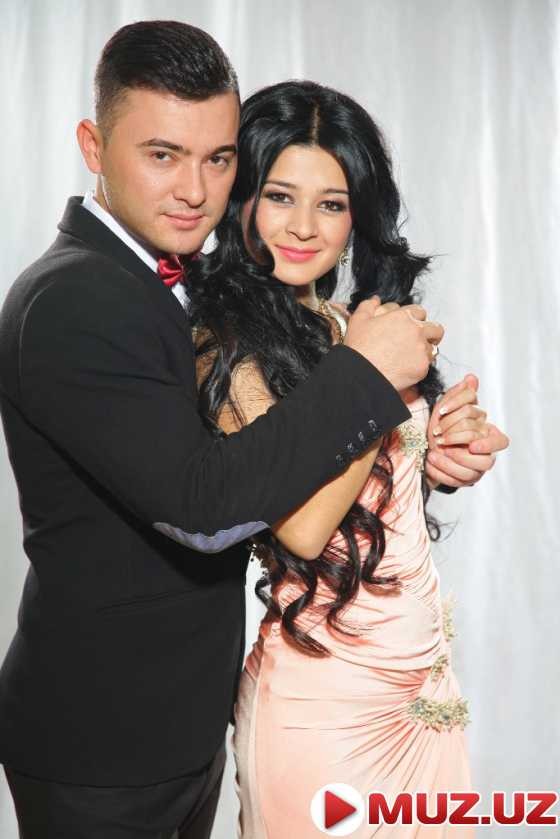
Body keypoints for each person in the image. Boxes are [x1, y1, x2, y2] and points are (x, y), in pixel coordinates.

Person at [0, 21, 450, 839]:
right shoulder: (74, 298)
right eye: (162, 154)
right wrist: (368, 376)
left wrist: (425, 446)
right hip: (103, 744)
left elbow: (263, 448)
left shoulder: (172, 281)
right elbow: (204, 507)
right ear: (93, 146)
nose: (195, 190)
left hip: (183, 723)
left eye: (218, 159)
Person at [189, 80, 509, 837]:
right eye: (279, 196)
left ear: (357, 214)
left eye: (330, 204)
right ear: (242, 200)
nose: (304, 227)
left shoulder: (345, 322)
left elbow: (376, 487)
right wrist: (378, 382)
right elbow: (303, 528)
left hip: (422, 691)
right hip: (322, 706)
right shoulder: (225, 343)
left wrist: (442, 448)